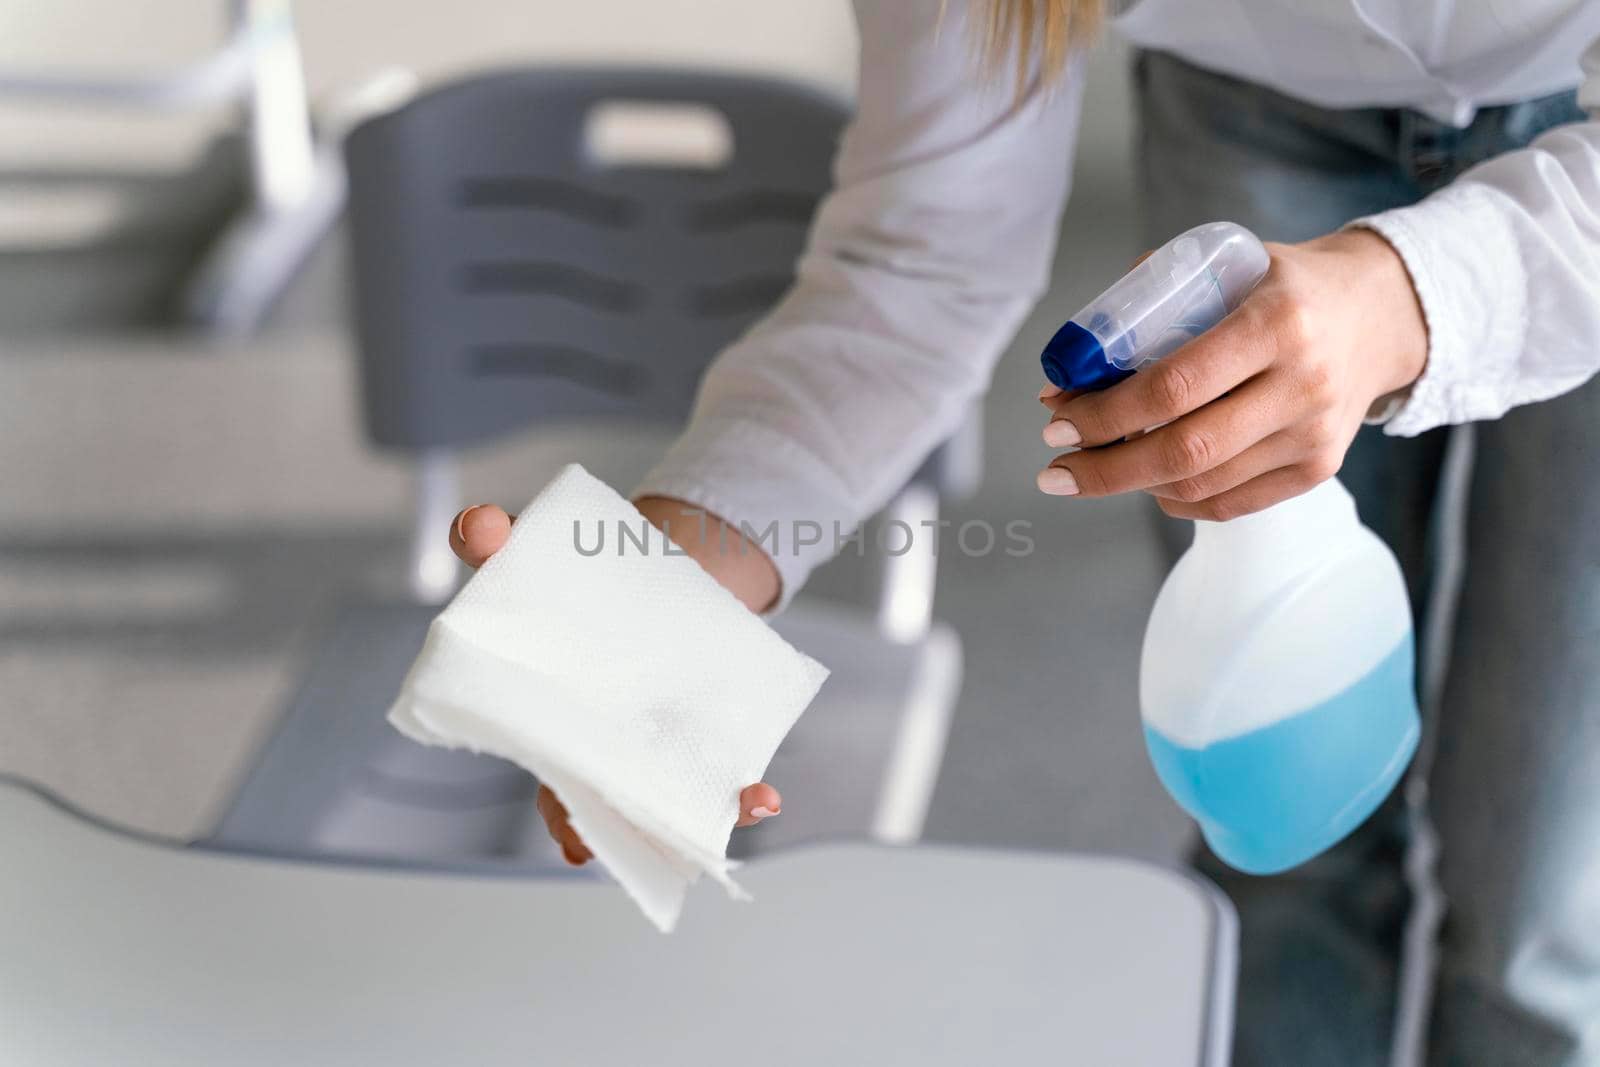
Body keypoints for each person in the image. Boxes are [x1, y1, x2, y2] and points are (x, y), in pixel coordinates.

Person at [449, 3, 1600, 1063]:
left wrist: (1408, 298)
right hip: (1253, 101)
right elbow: (915, 262)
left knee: (1546, 903)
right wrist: (684, 572)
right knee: (1287, 838)